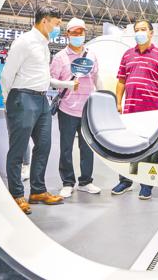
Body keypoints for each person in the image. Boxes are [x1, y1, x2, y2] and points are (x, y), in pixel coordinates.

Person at [0, 6, 78, 214]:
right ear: (45, 21)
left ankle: (37, 190)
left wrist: (68, 85)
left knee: (43, 146)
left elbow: (43, 77)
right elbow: (7, 75)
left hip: (42, 100)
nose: (58, 28)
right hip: (22, 98)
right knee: (18, 149)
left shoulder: (44, 45)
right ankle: (16, 194)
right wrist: (9, 101)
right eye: (56, 24)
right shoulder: (24, 42)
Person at [111, 19, 158, 200]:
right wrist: (118, 102)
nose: (139, 32)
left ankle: (146, 184)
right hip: (130, 110)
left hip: (151, 111)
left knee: (149, 148)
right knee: (127, 147)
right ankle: (125, 181)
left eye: (143, 29)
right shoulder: (127, 54)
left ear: (151, 33)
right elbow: (121, 81)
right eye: (137, 30)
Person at [49, 18, 102, 198]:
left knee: (87, 148)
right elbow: (51, 81)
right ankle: (67, 182)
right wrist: (68, 84)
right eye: (74, 32)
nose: (78, 35)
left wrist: (103, 97)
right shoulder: (60, 57)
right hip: (67, 109)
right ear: (68, 34)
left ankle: (85, 182)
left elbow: (96, 78)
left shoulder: (92, 55)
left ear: (85, 33)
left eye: (81, 32)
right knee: (66, 148)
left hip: (87, 110)